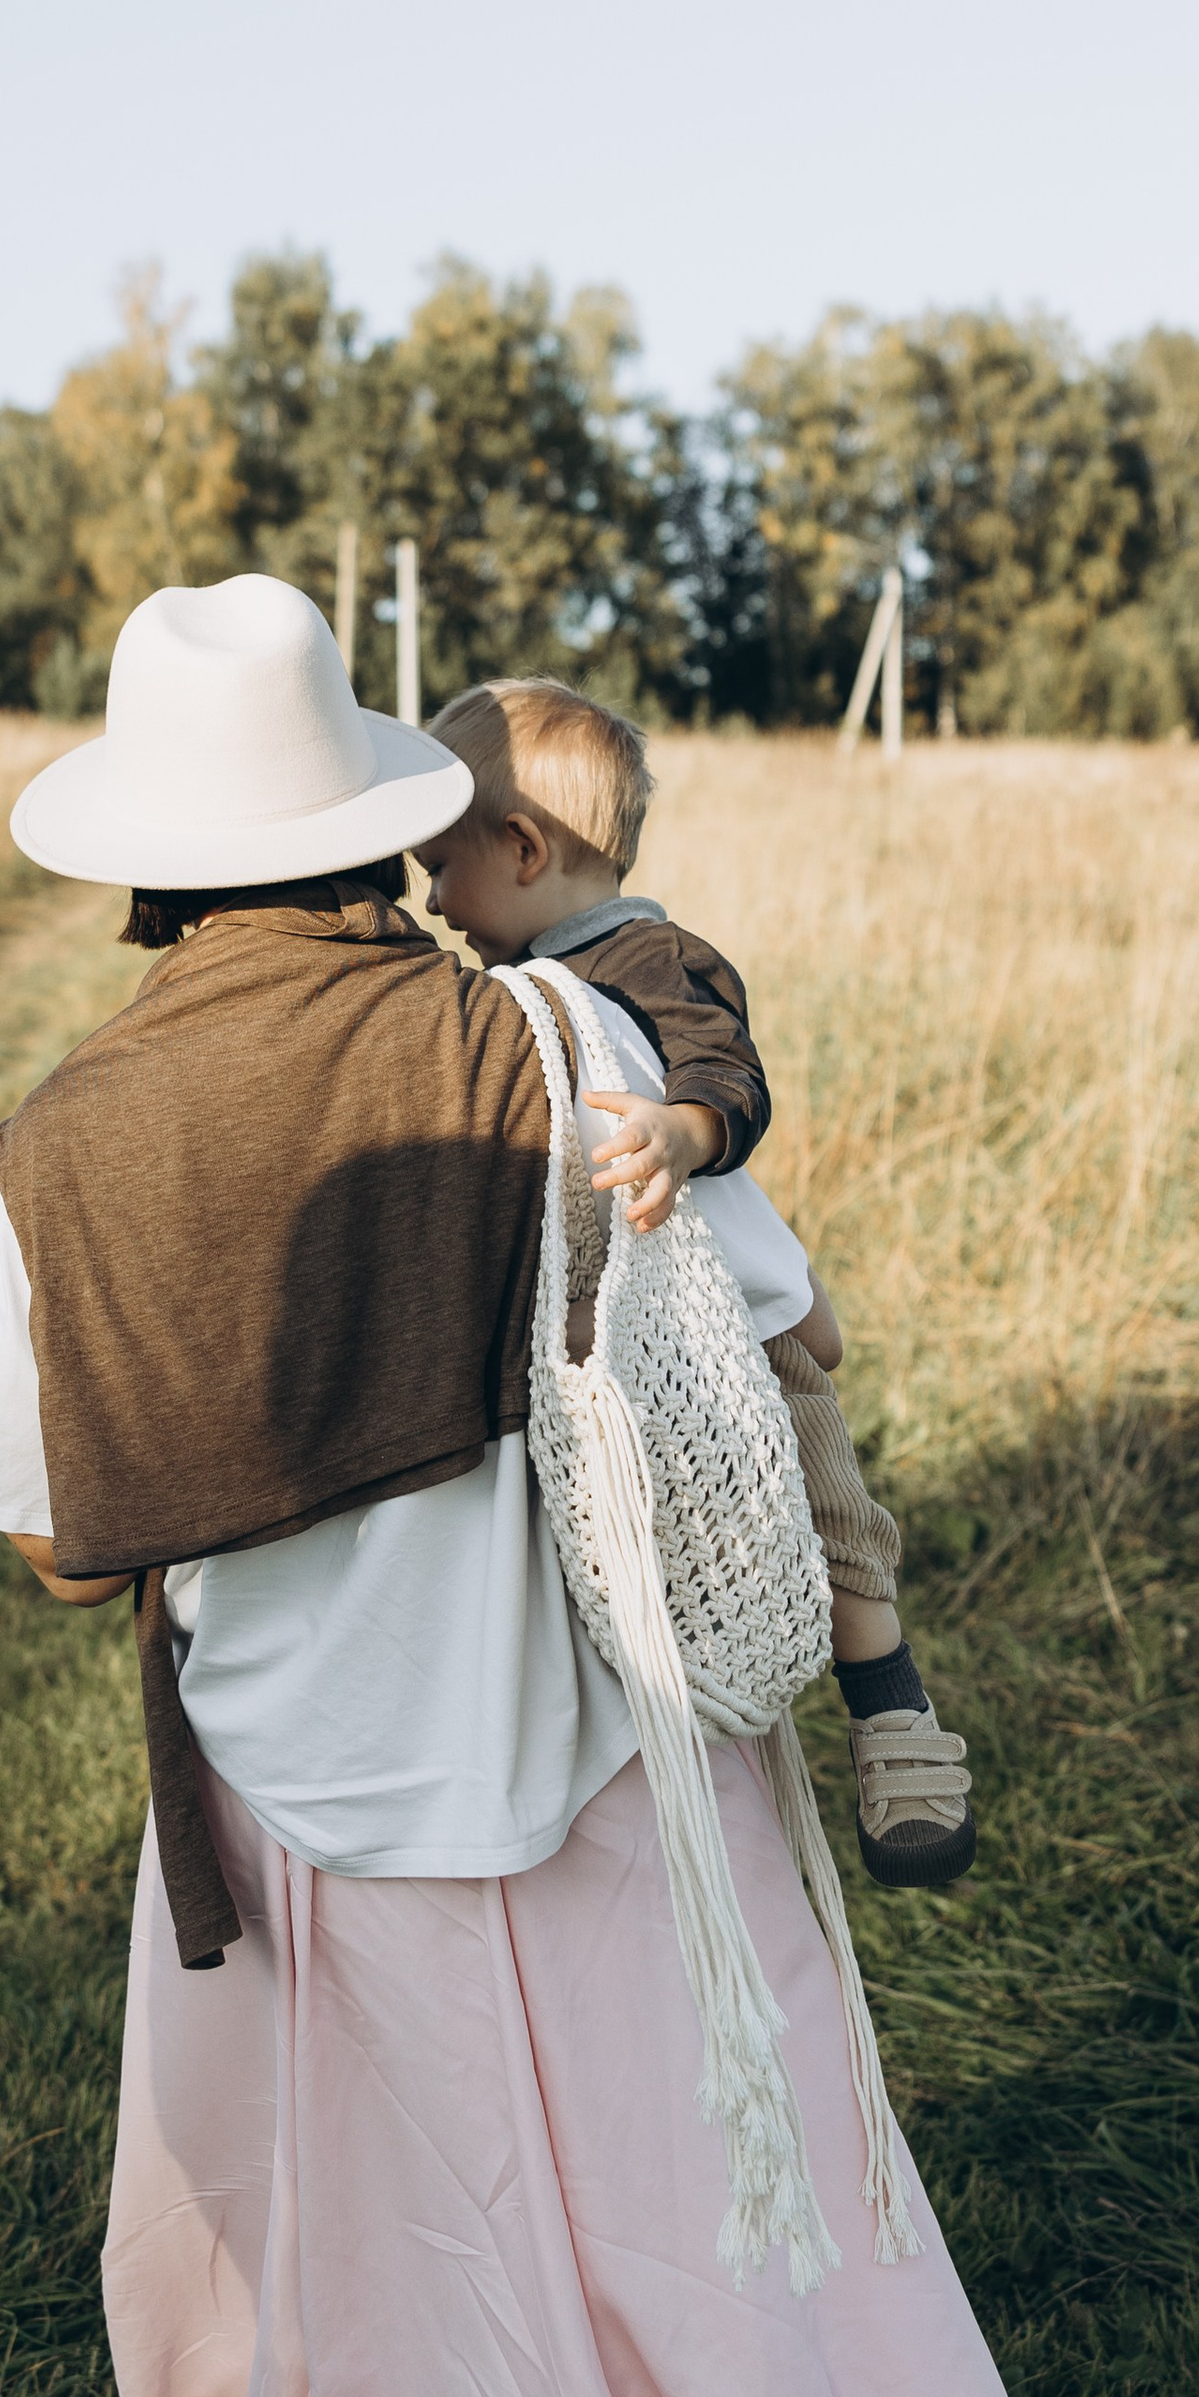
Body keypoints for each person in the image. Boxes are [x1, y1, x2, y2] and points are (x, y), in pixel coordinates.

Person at [0, 574, 1191, 2397]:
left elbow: (69, 1536)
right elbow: (758, 1322)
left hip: (317, 1817)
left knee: (433, 2310)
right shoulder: (561, 1049)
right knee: (737, 2270)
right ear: (384, 824)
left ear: (143, 862)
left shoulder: (63, 1144)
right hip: (625, 1773)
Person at [417, 673, 974, 1892]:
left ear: (518, 849)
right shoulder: (493, 999)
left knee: (827, 1511)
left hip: (738, 1314)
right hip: (624, 1324)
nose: (427, 897)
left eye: (437, 866)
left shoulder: (653, 960)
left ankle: (894, 1726)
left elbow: (732, 1075)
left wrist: (681, 1129)